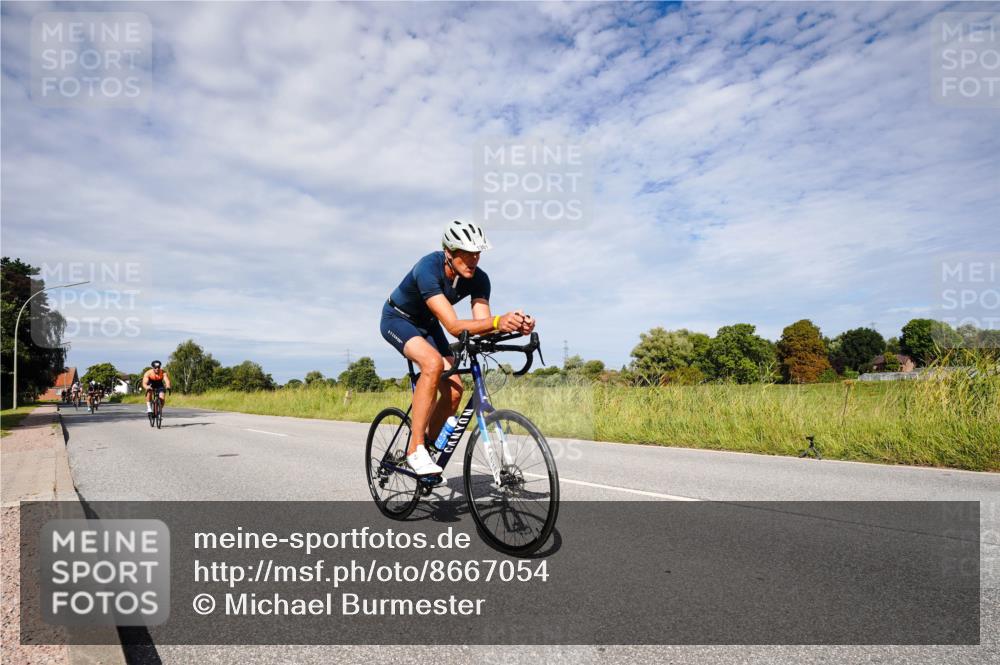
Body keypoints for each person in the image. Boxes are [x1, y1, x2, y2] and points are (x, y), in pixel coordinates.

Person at [380, 220, 535, 476]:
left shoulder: (479, 279)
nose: (474, 259)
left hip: (428, 325)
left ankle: (427, 446)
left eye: (478, 253)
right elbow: (453, 326)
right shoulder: (427, 268)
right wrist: (497, 321)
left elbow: (482, 323)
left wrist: (513, 325)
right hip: (398, 319)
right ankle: (414, 449)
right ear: (450, 253)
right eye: (467, 253)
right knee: (432, 363)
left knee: (454, 392)